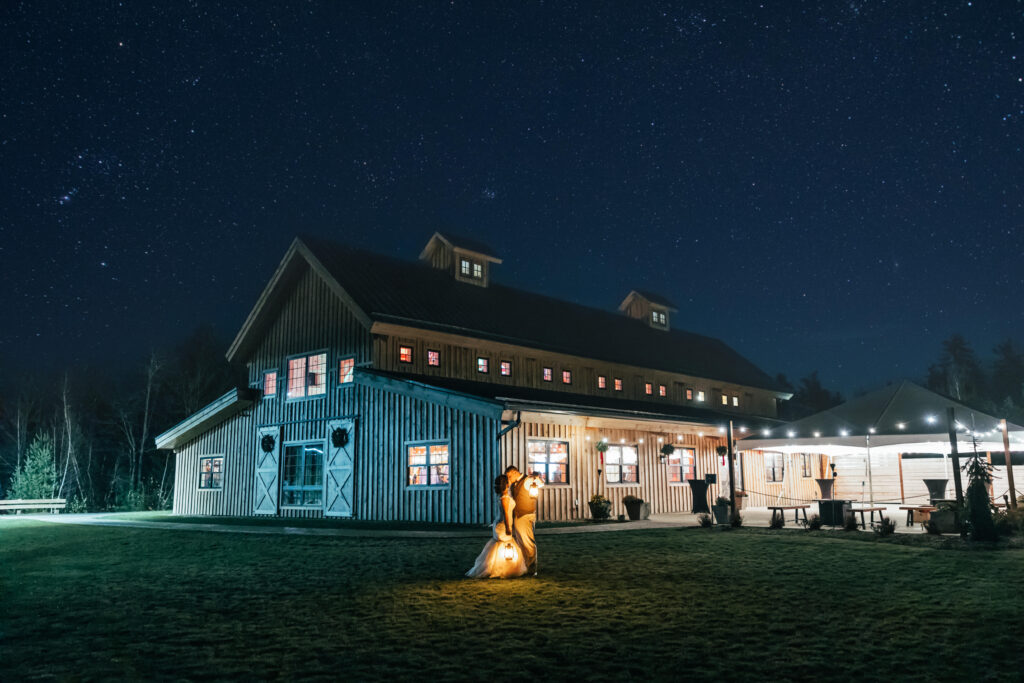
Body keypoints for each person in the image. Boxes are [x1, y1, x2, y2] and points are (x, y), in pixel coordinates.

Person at [465, 473, 527, 579]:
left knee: (500, 546)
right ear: (506, 484)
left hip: (499, 524)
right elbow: (507, 515)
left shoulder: (503, 496)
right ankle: (503, 568)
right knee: (505, 544)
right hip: (503, 525)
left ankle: (499, 566)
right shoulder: (505, 499)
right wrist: (509, 528)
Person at [507, 465, 543, 576]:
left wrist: (536, 477)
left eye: (509, 476)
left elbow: (541, 484)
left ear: (514, 473)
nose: (509, 479)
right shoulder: (514, 485)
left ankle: (532, 568)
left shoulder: (527, 480)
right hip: (517, 516)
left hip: (526, 515)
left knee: (528, 543)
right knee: (521, 543)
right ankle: (525, 567)